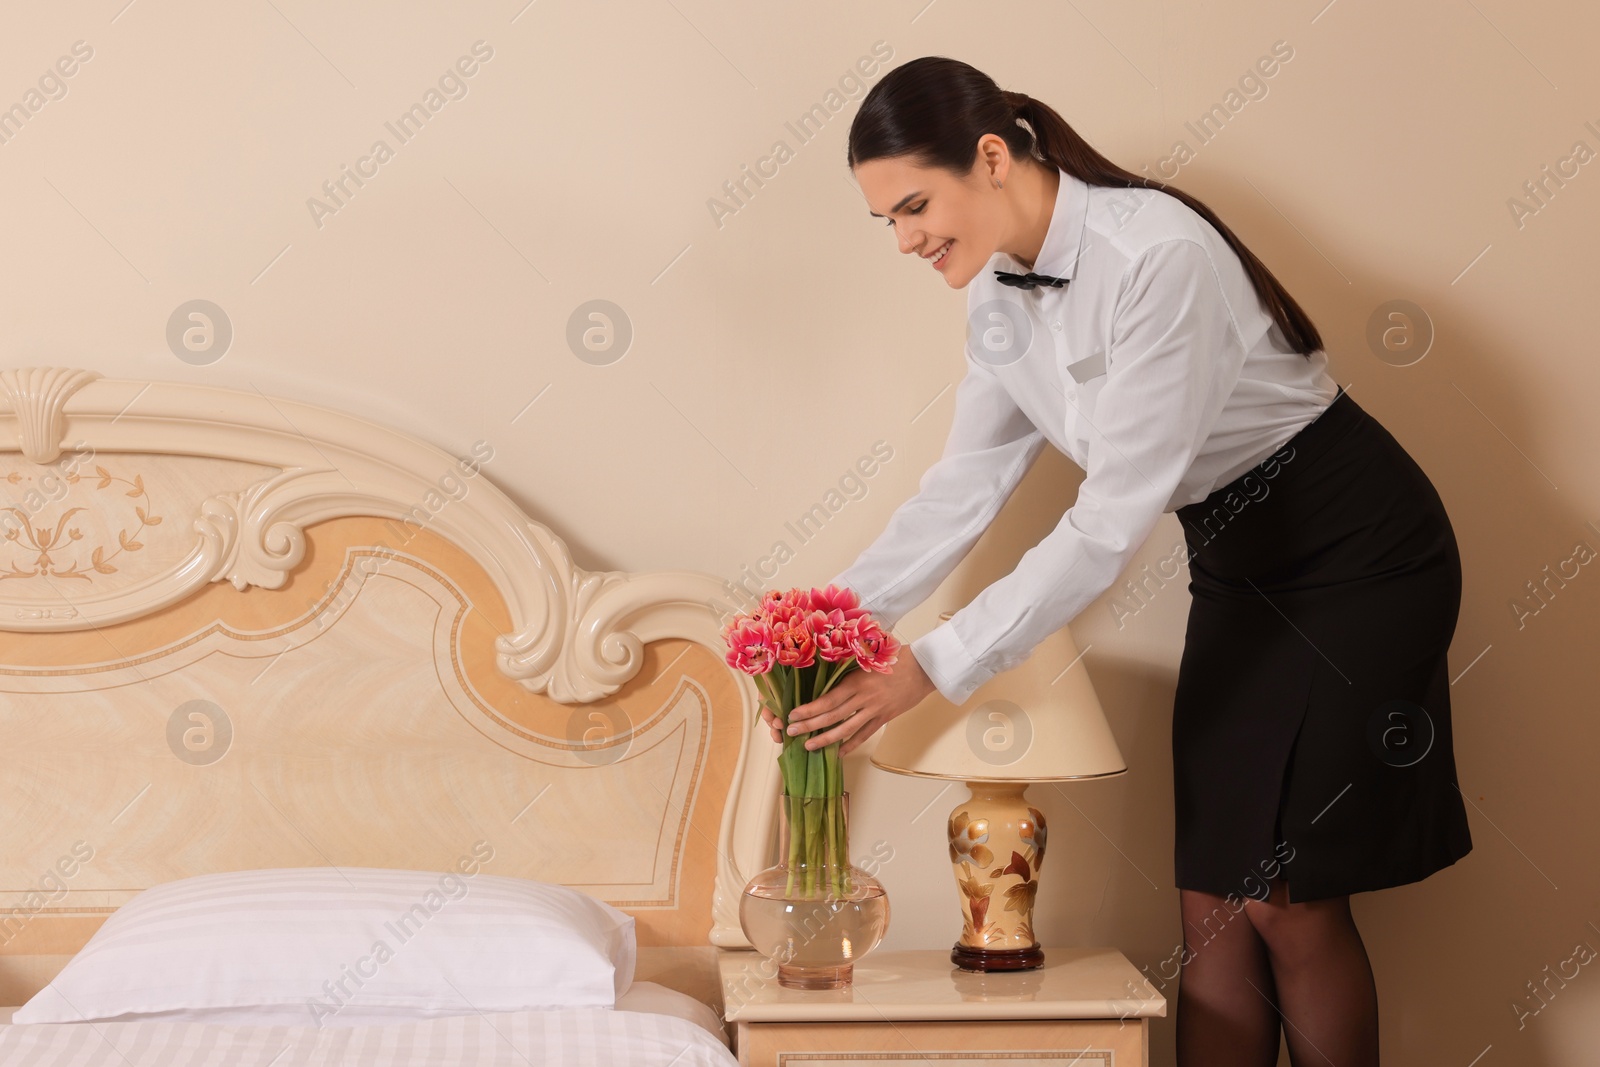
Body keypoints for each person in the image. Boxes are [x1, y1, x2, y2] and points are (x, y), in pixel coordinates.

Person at [758, 55, 1472, 1067]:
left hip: (1356, 550)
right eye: (889, 221)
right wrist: (831, 618)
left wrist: (928, 663)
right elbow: (964, 487)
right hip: (1237, 558)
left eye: (914, 205)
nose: (907, 238)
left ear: (991, 158)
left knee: (1283, 898)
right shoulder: (998, 288)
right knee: (1211, 904)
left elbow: (1106, 524)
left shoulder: (1159, 258)